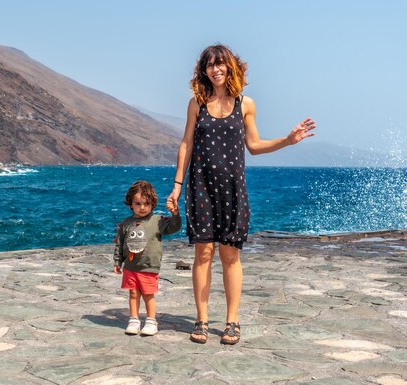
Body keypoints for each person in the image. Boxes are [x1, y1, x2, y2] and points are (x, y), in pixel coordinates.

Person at [167, 44, 315, 345]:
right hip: (201, 188)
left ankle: (232, 321)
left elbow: (254, 145)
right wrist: (177, 185)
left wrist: (287, 140)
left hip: (233, 189)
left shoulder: (245, 104)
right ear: (203, 71)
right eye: (209, 65)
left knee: (230, 254)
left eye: (220, 64)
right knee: (203, 253)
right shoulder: (196, 103)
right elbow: (186, 144)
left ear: (231, 67)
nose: (215, 69)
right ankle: (202, 320)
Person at [114, 180, 182, 336]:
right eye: (138, 203)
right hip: (130, 267)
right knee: (133, 294)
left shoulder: (158, 221)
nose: (142, 207)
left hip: (149, 267)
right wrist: (118, 262)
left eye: (146, 203)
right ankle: (134, 320)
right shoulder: (126, 223)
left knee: (148, 294)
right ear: (131, 203)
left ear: (153, 204)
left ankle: (151, 321)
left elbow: (174, 227)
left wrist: (175, 214)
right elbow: (120, 243)